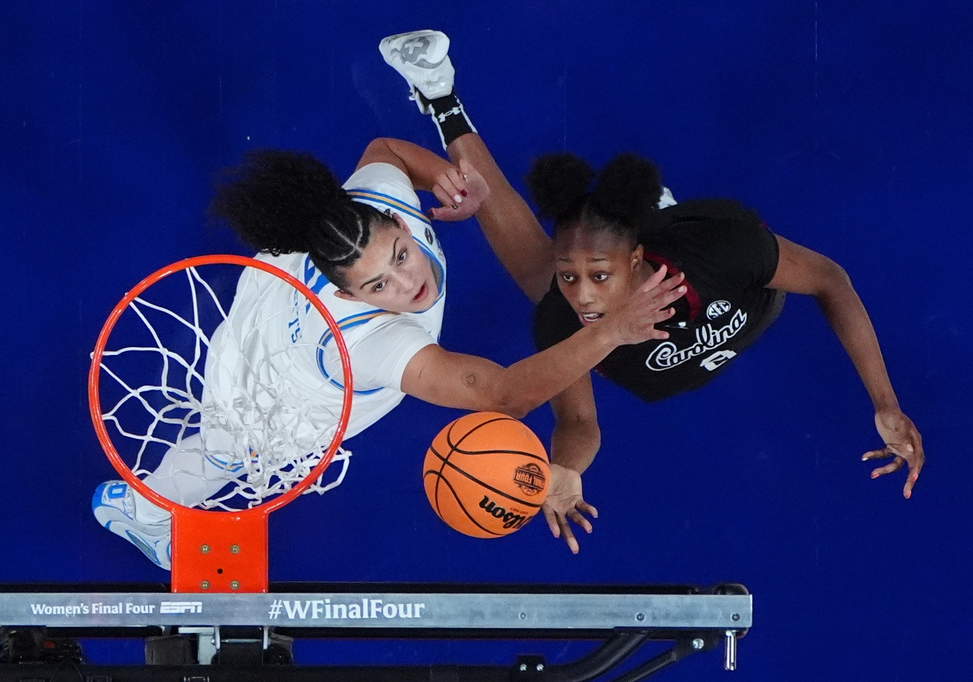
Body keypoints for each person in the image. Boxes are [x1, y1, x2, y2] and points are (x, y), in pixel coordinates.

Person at [379, 29, 926, 553]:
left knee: (563, 272)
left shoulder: (723, 250)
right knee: (541, 281)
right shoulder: (564, 315)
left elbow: (830, 279)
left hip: (730, 290)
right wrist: (565, 468)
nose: (583, 295)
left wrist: (885, 403)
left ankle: (654, 213)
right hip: (649, 298)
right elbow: (579, 422)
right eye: (573, 277)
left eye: (598, 276)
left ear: (636, 260)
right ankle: (441, 93)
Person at [92, 136, 687, 568]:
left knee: (229, 447)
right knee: (235, 448)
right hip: (278, 381)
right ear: (351, 294)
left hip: (281, 285)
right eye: (378, 286)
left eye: (400, 256)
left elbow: (387, 151)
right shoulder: (371, 340)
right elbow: (505, 396)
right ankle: (138, 507)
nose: (408, 286)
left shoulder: (381, 201)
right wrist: (612, 330)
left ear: (397, 224)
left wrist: (449, 180)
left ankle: (146, 503)